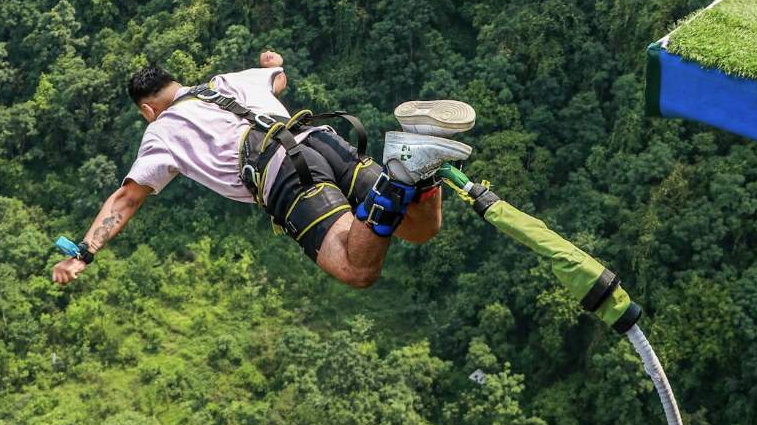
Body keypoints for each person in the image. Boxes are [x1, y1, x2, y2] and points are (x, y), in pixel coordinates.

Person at [51, 50, 476, 288]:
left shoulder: (161, 132)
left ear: (148, 109)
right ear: (175, 84)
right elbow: (278, 76)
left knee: (356, 268)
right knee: (420, 228)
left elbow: (125, 199)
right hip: (321, 139)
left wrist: (84, 254)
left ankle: (398, 178)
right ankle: (416, 158)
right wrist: (272, 60)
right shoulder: (225, 82)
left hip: (285, 173)